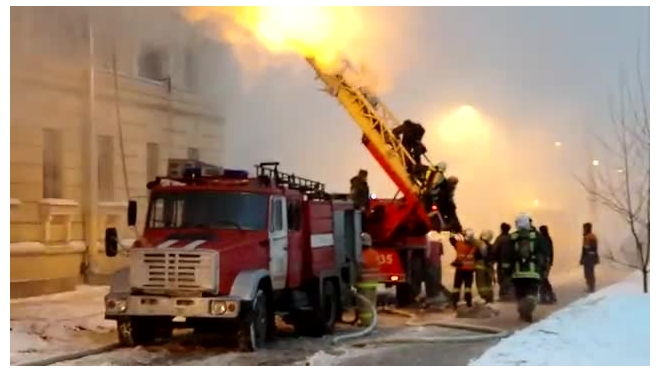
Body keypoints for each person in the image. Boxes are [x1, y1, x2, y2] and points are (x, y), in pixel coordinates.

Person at [501, 213, 549, 322]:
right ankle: (528, 309)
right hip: (533, 273)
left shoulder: (512, 238)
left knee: (520, 294)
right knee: (531, 293)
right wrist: (543, 268)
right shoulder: (537, 237)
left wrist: (506, 271)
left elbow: (506, 256)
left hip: (517, 274)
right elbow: (544, 254)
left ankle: (523, 312)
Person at [356, 232, 380, 326]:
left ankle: (366, 323)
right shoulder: (374, 253)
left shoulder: (361, 255)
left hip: (363, 283)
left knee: (364, 305)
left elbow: (358, 268)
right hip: (373, 282)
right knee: (371, 303)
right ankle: (372, 321)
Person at [449, 229, 477, 309]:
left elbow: (451, 239)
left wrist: (456, 231)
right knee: (468, 287)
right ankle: (468, 303)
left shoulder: (459, 244)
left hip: (460, 269)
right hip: (469, 270)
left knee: (456, 287)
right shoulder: (474, 246)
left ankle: (455, 303)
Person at [492, 222, 514, 301]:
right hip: (512, 263)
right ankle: (511, 295)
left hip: (502, 263)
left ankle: (504, 295)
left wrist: (492, 260)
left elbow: (494, 250)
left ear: (502, 229)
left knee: (502, 279)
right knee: (510, 279)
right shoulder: (512, 238)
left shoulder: (499, 239)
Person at [475, 229, 495, 303]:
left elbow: (475, 255)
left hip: (480, 267)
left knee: (481, 284)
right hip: (489, 266)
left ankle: (484, 297)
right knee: (488, 283)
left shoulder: (478, 244)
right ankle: (489, 298)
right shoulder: (490, 246)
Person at [538, 225, 557, 304]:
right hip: (547, 262)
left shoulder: (543, 240)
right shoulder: (548, 239)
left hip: (544, 263)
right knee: (543, 279)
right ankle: (547, 296)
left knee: (543, 279)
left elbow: (545, 252)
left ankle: (547, 296)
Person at [580, 222, 599, 293]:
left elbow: (591, 248)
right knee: (588, 272)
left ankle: (591, 287)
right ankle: (590, 286)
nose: (583, 229)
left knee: (589, 272)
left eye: (584, 228)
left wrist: (586, 256)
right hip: (589, 257)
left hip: (589, 257)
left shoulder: (590, 236)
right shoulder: (588, 236)